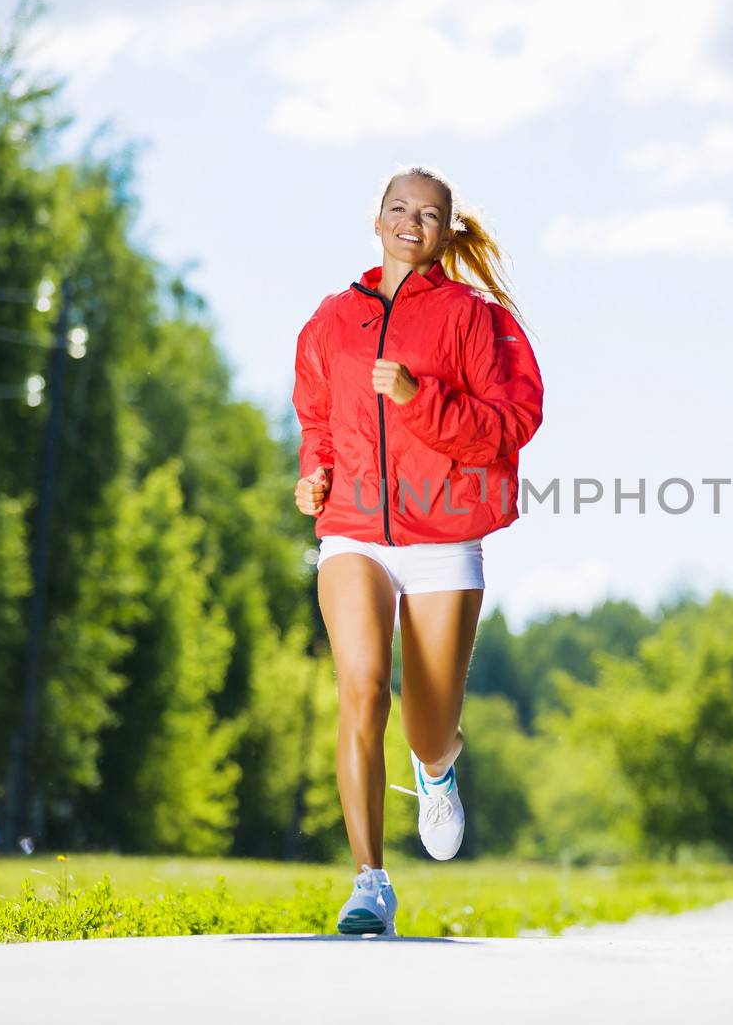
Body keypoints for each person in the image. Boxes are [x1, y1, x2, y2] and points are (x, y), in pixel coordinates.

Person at [291, 166, 544, 936]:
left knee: (426, 725)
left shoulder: (477, 318)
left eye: (429, 214)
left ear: (446, 232)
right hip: (355, 534)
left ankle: (436, 767)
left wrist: (416, 398)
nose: (412, 222)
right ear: (376, 221)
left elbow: (512, 422)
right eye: (399, 208)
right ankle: (370, 881)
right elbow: (316, 418)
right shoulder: (332, 321)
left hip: (444, 536)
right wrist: (314, 474)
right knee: (363, 689)